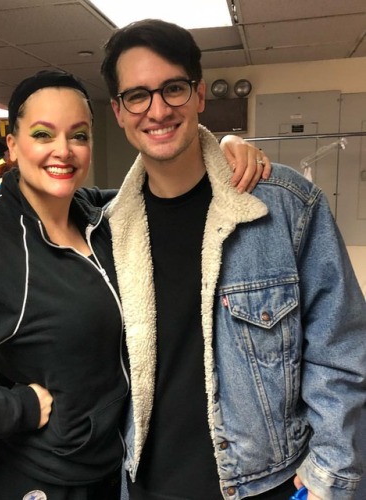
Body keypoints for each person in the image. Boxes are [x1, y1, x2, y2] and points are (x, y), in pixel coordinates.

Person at [0, 69, 266, 499]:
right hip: (41, 481)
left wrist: (221, 150)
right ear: (13, 146)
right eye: (43, 134)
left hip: (110, 472)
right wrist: (16, 408)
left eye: (78, 135)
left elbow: (167, 188)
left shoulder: (97, 215)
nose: (64, 150)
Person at [100, 19, 366, 500]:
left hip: (267, 485)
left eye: (173, 89)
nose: (157, 109)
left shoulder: (285, 205)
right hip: (142, 485)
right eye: (137, 95)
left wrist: (328, 479)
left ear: (200, 94)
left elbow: (342, 353)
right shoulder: (104, 229)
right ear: (119, 112)